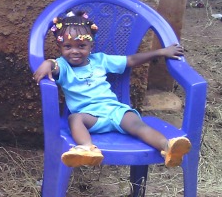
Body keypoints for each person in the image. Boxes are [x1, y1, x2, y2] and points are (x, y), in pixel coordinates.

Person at [33, 10, 191, 168]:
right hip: (90, 117)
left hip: (115, 111)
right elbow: (54, 66)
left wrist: (161, 52)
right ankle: (88, 149)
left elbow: (131, 60)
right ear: (59, 46)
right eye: (68, 46)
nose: (75, 51)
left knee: (138, 125)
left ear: (91, 45)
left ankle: (168, 147)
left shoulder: (101, 60)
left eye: (81, 45)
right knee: (74, 119)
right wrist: (48, 63)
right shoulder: (64, 65)